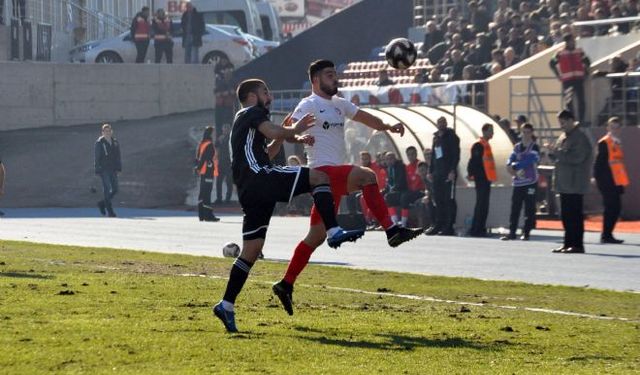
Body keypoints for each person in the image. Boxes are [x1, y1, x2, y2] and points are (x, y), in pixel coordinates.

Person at [271, 60, 423, 316]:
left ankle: (285, 284)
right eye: (330, 75)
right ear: (316, 80)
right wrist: (289, 138)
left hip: (332, 181)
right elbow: (287, 130)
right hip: (322, 172)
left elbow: (365, 117)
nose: (335, 79)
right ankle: (391, 230)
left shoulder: (339, 103)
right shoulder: (308, 105)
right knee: (367, 175)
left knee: (316, 236)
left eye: (335, 74)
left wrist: (388, 126)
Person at [212, 79, 365, 332]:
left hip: (250, 188)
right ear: (252, 96)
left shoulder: (246, 122)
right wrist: (295, 129)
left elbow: (268, 150)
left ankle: (226, 305)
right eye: (265, 91)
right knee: (320, 177)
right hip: (260, 177)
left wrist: (288, 136)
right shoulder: (252, 112)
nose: (269, 96)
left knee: (251, 249)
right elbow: (272, 134)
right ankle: (334, 231)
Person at [550, 110, 593, 253]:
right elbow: (560, 156)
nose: (561, 126)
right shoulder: (563, 137)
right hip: (564, 183)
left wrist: (557, 152)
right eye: (560, 123)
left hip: (575, 183)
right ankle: (567, 242)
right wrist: (553, 152)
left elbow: (576, 158)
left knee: (575, 215)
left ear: (570, 121)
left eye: (563, 122)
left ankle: (577, 245)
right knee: (566, 215)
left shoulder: (579, 137)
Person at [594, 117, 629, 244]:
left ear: (620, 129)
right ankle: (606, 235)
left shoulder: (617, 142)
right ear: (607, 128)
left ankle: (608, 234)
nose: (614, 129)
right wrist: (599, 180)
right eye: (612, 127)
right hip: (607, 182)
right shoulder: (605, 142)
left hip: (616, 180)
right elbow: (598, 164)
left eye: (617, 127)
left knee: (616, 208)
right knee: (611, 208)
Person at [502, 123, 540, 241]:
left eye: (528, 132)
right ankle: (512, 232)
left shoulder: (534, 147)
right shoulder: (517, 147)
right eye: (524, 132)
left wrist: (516, 166)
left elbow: (530, 160)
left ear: (532, 133)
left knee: (529, 207)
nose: (526, 135)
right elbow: (511, 157)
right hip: (518, 182)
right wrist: (509, 164)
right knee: (515, 207)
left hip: (530, 181)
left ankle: (526, 232)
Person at [425, 116, 460, 236]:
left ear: (446, 123)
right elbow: (434, 156)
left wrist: (452, 171)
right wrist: (430, 171)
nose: (441, 124)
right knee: (438, 200)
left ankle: (449, 226)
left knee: (448, 200)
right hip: (437, 173)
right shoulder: (436, 138)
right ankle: (438, 224)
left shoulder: (452, 137)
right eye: (439, 122)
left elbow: (456, 155)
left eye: (443, 122)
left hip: (447, 173)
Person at [549, 34, 591, 124]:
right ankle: (572, 121)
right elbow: (552, 63)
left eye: (574, 40)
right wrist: (558, 75)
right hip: (567, 81)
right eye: (572, 41)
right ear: (567, 42)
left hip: (579, 79)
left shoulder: (579, 51)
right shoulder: (560, 53)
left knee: (581, 101)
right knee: (569, 102)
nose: (574, 42)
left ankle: (581, 121)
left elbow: (587, 62)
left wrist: (586, 73)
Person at [466, 123, 496, 237]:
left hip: (486, 179)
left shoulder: (486, 145)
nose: (492, 133)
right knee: (481, 204)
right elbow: (474, 161)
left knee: (484, 204)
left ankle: (480, 228)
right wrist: (471, 174)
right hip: (481, 179)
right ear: (485, 131)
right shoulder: (479, 145)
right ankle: (476, 229)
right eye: (491, 130)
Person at [94, 123, 121, 217]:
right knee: (107, 189)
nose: (108, 133)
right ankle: (110, 211)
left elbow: (118, 156)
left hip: (113, 169)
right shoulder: (99, 143)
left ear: (111, 131)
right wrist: (97, 169)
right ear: (102, 132)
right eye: (105, 131)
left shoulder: (115, 142)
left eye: (109, 131)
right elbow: (97, 157)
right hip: (103, 169)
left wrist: (118, 167)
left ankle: (102, 203)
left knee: (115, 189)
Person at [195, 126, 220, 222]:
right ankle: (209, 216)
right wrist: (202, 167)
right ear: (210, 134)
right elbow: (206, 159)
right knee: (207, 194)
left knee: (202, 194)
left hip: (202, 173)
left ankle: (201, 215)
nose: (214, 134)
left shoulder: (202, 144)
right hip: (208, 172)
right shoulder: (209, 145)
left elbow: (198, 158)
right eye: (213, 133)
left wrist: (197, 168)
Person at [383, 151, 409, 226]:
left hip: (403, 189)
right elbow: (389, 183)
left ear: (395, 159)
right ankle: (395, 221)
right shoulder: (388, 169)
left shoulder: (401, 166)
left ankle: (404, 222)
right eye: (387, 159)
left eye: (391, 159)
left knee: (404, 198)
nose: (389, 161)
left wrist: (393, 189)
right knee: (386, 196)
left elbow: (402, 181)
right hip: (394, 190)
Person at [214, 123, 233, 204]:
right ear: (222, 130)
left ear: (229, 130)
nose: (225, 130)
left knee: (229, 182)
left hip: (229, 163)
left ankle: (227, 199)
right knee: (218, 181)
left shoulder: (231, 138)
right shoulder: (220, 138)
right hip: (221, 162)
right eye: (224, 129)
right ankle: (219, 198)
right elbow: (216, 146)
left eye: (227, 129)